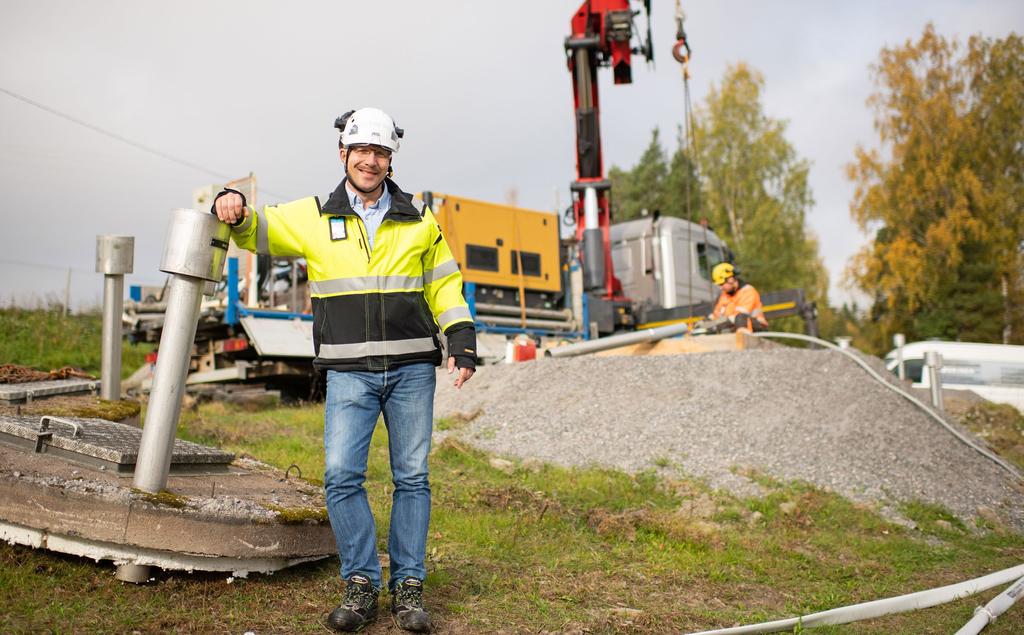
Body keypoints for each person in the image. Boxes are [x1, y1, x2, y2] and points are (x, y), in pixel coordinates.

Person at [212, 107, 476, 633]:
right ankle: (361, 583)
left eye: (380, 153)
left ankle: (408, 587)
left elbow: (445, 284)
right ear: (344, 155)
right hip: (349, 372)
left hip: (411, 370)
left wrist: (462, 339)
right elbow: (257, 232)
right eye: (362, 151)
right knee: (339, 477)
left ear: (390, 160)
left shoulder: (420, 219)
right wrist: (236, 208)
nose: (370, 161)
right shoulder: (315, 216)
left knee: (413, 479)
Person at [709, 262, 768, 333]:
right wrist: (707, 322)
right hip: (734, 326)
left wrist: (720, 323)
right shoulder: (724, 295)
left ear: (731, 279)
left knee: (740, 319)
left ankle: (742, 338)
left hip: (756, 327)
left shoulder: (748, 291)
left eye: (722, 284)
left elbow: (740, 314)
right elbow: (717, 315)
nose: (721, 288)